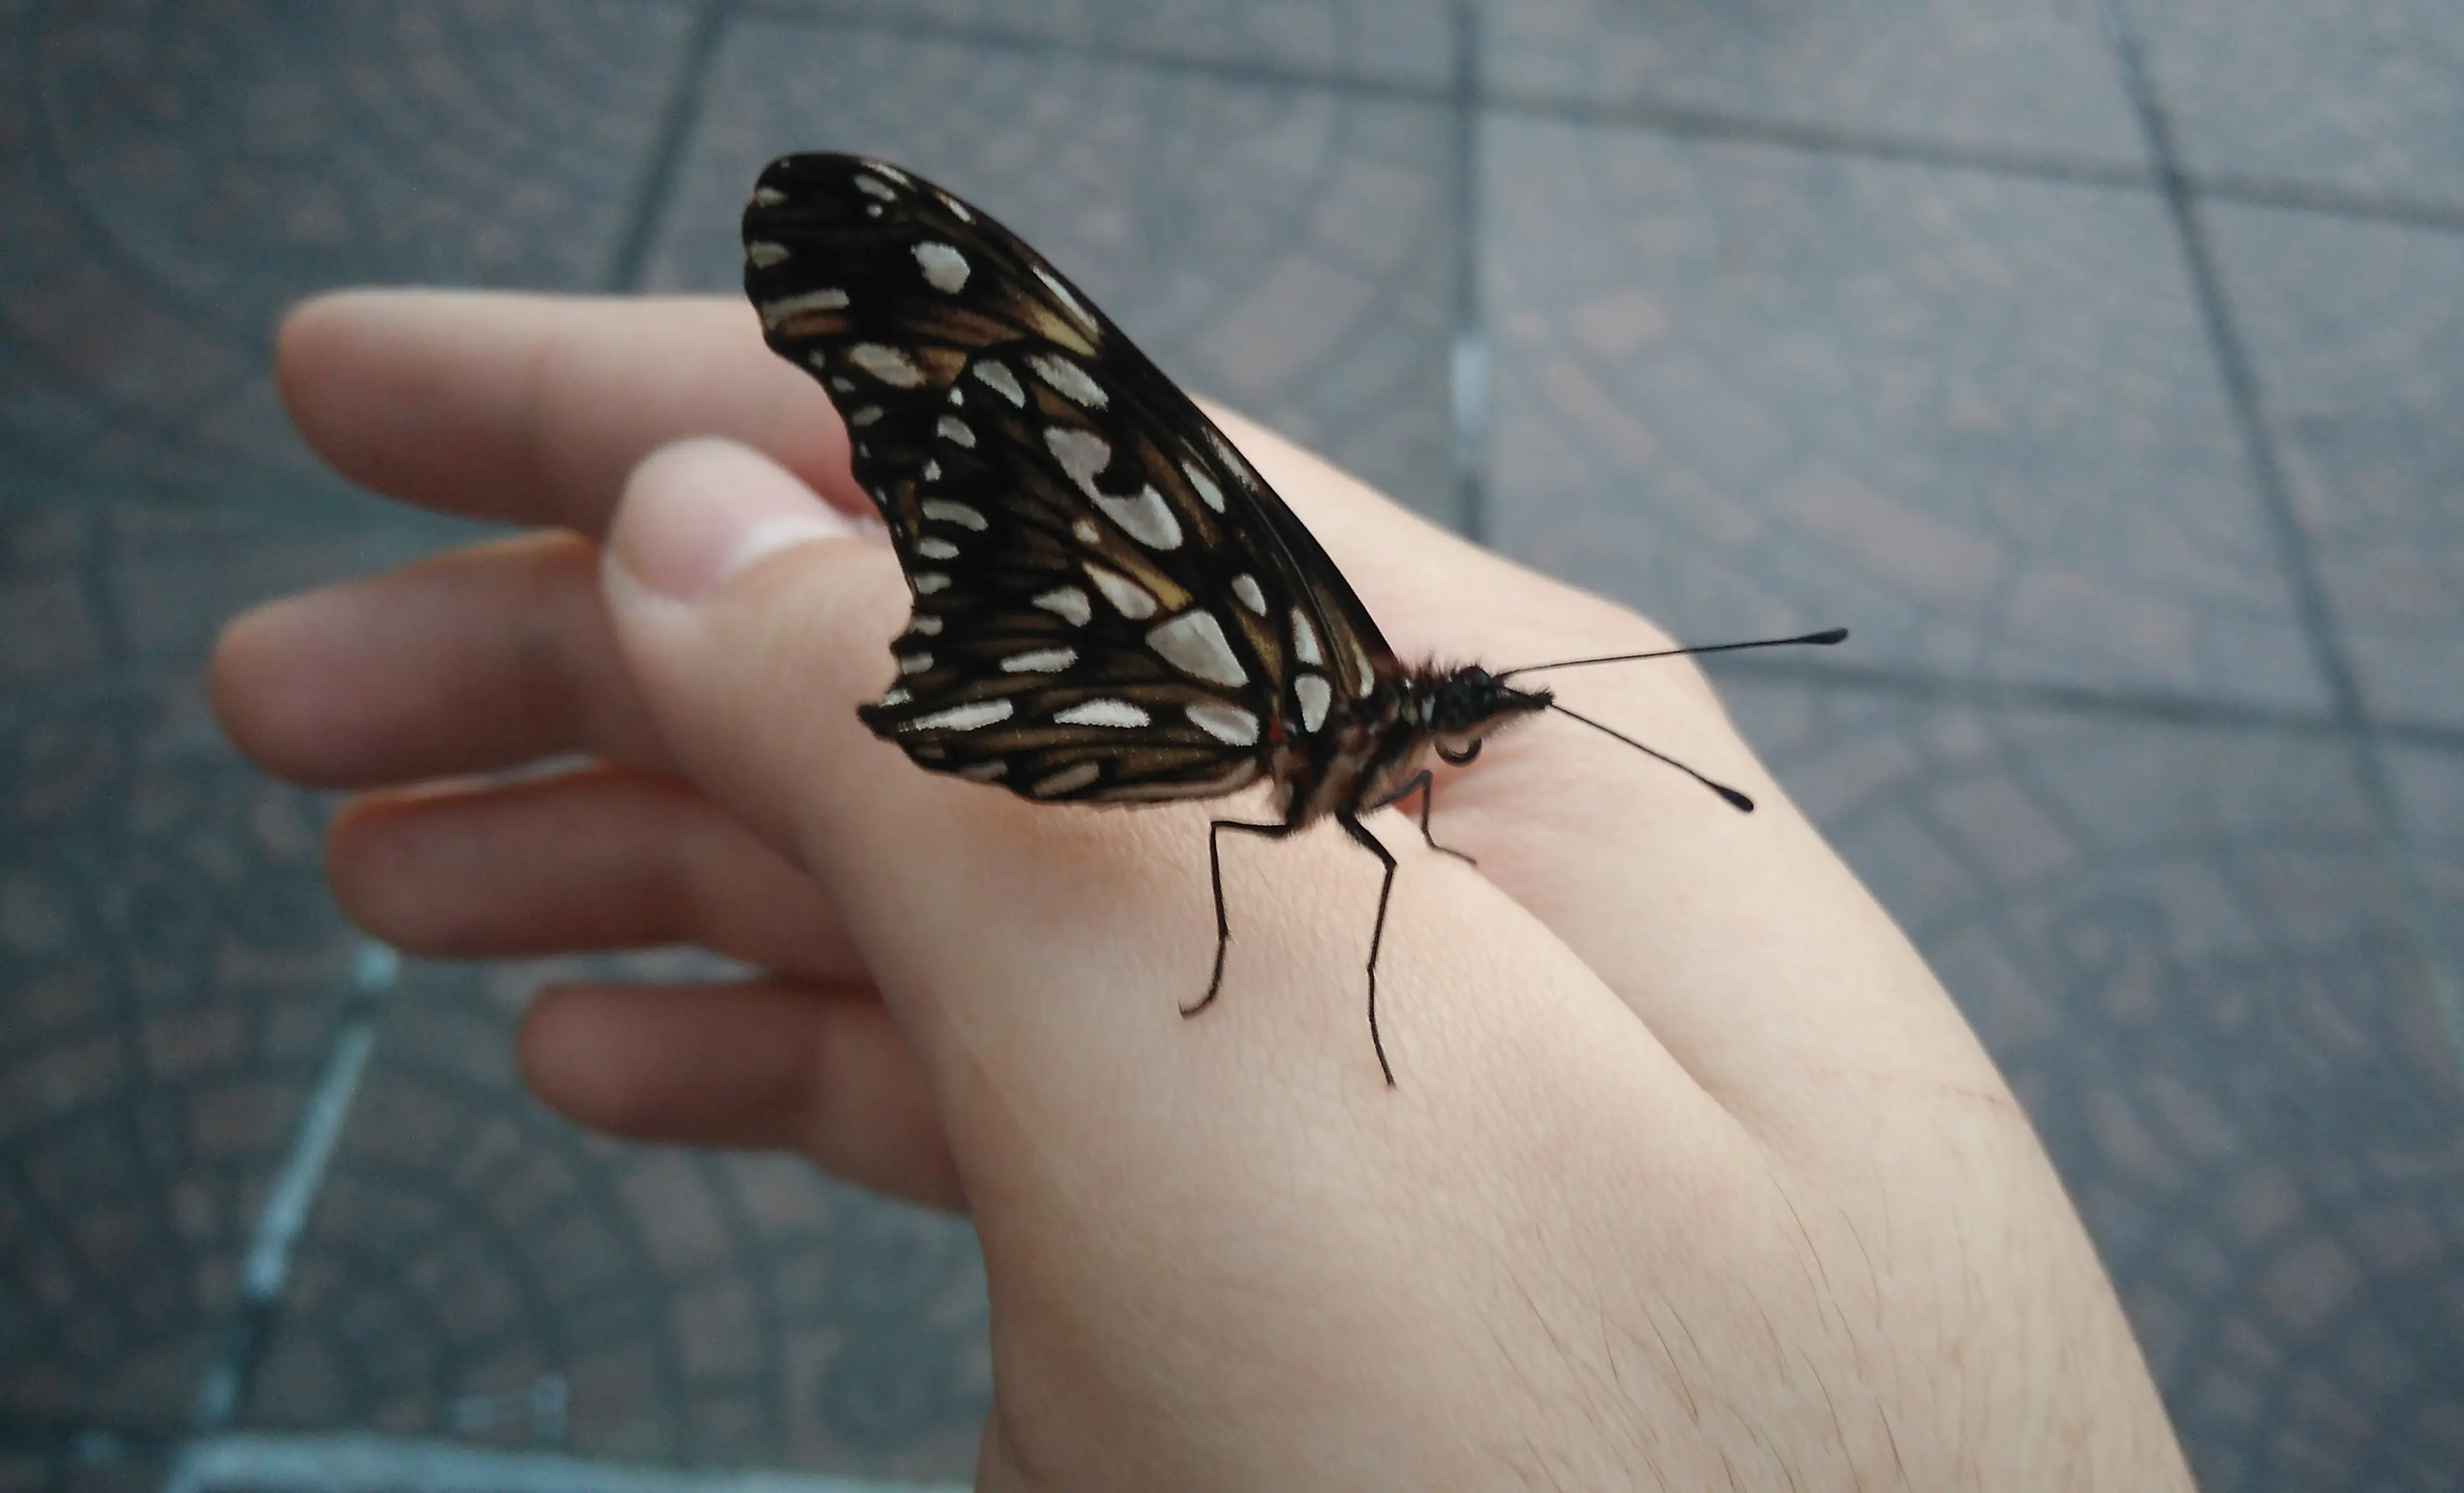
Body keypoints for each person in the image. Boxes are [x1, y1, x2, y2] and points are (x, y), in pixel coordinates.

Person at [210, 290, 2197, 1490]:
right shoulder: (1319, 697)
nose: (1463, 732)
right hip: (1034, 680)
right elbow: (1301, 842)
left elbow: (1350, 832)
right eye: (1462, 715)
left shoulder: (1370, 741)